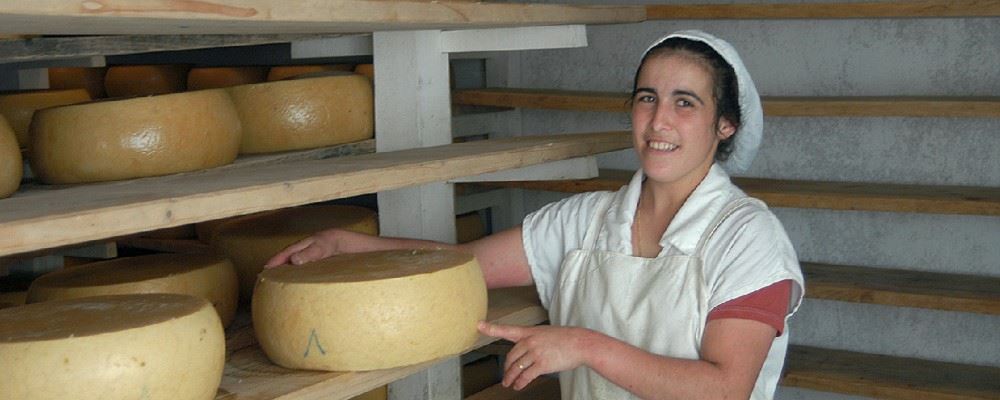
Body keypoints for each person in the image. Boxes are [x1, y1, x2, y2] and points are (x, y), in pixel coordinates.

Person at [266, 30, 804, 400]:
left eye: (686, 103)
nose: (659, 121)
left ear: (725, 125)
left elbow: (725, 388)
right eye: (647, 98)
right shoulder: (586, 221)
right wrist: (350, 246)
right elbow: (462, 263)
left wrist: (584, 344)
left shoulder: (747, 237)